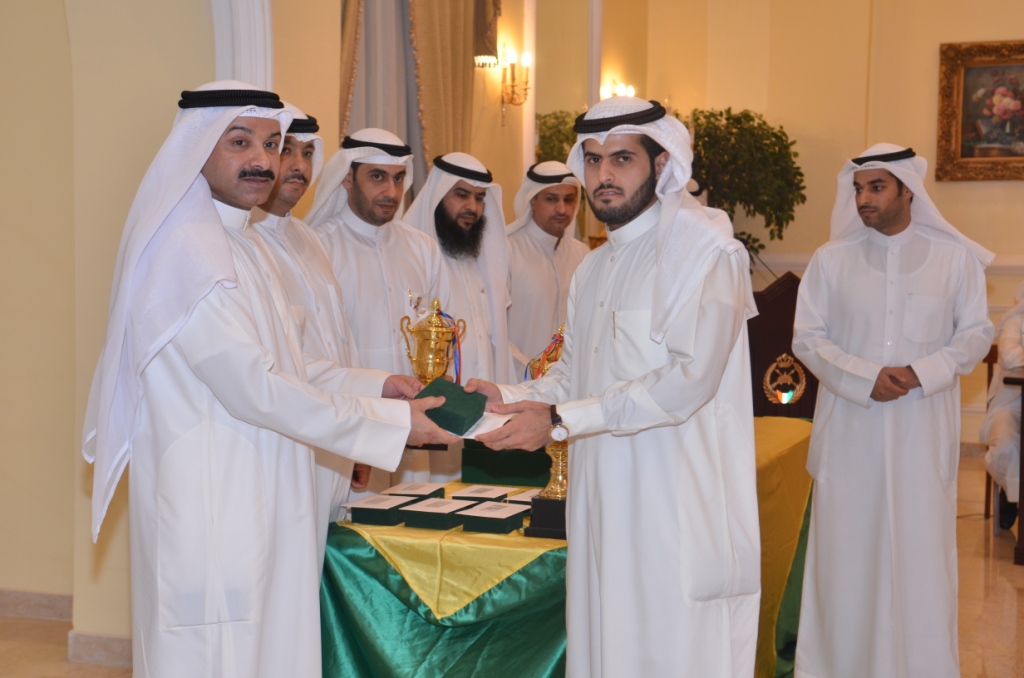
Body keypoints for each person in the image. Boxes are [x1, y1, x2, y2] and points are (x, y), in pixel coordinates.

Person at [81, 82, 455, 678]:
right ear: (198, 146)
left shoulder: (246, 242)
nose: (263, 160)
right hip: (216, 505)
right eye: (240, 142)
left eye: (272, 144)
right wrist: (391, 424)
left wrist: (376, 386)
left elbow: (290, 365)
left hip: (268, 492)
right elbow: (255, 387)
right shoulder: (187, 251)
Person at [467, 97, 761, 677]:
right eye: (594, 159)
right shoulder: (594, 268)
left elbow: (689, 381)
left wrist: (559, 421)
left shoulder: (708, 254)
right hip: (600, 502)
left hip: (675, 506)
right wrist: (508, 398)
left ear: (662, 163)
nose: (603, 174)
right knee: (605, 650)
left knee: (671, 655)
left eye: (622, 158)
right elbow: (572, 374)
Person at [792, 144, 993, 678]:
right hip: (849, 432)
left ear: (908, 190)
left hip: (920, 430)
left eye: (877, 187)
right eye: (858, 188)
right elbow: (808, 338)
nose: (864, 198)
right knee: (846, 560)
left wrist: (923, 372)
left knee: (920, 558)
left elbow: (976, 333)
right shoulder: (830, 260)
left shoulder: (954, 261)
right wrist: (864, 377)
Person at [248, 107, 380, 568]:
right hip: (286, 445)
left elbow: (341, 344)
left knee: (325, 576)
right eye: (285, 150)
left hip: (333, 439)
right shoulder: (243, 243)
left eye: (307, 153)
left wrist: (358, 436)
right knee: (288, 574)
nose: (299, 166)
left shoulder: (307, 238)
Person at [307, 128, 452, 489]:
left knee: (414, 517)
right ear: (347, 178)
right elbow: (314, 356)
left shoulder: (421, 248)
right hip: (349, 432)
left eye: (398, 178)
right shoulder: (318, 248)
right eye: (377, 177)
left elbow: (441, 331)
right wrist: (358, 437)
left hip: (414, 429)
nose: (391, 191)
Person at [405, 152, 515, 480]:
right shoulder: (414, 254)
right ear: (439, 195)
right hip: (433, 412)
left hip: (480, 411)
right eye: (462, 195)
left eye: (479, 198)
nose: (472, 207)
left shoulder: (479, 258)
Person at [505, 161, 589, 376]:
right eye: (551, 199)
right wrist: (531, 369)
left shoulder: (583, 255)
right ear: (532, 201)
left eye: (569, 200)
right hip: (517, 380)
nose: (562, 209)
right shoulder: (507, 251)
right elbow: (494, 329)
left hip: (569, 382)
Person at [980, 282, 1024, 528]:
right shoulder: (1014, 322)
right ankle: (1011, 492)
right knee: (1006, 445)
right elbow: (1009, 356)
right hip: (1010, 403)